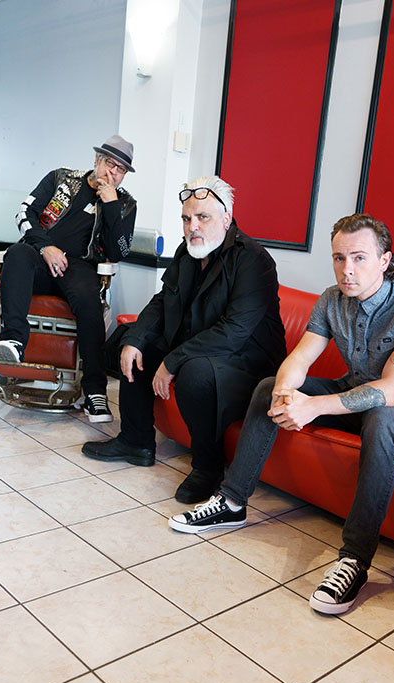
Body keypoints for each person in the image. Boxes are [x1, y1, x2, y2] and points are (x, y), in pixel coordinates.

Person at [169, 213, 394, 615]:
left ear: (384, 260)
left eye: (360, 258)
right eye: (338, 258)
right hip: (354, 390)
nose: (347, 270)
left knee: (381, 420)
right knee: (266, 388)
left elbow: (391, 390)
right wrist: (285, 394)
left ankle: (354, 558)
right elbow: (300, 357)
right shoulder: (333, 298)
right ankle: (231, 502)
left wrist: (312, 407)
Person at [82, 176, 286, 503]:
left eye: (202, 217)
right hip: (202, 348)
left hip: (247, 363)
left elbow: (234, 331)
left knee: (195, 373)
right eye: (187, 218)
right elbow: (164, 301)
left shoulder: (253, 260)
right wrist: (135, 339)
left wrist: (173, 360)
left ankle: (208, 466)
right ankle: (136, 441)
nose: (193, 226)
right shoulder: (187, 251)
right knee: (131, 342)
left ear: (226, 219)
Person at [0, 135, 137, 422]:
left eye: (120, 169)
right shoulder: (61, 178)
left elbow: (119, 251)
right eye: (109, 163)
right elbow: (24, 212)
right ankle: (14, 342)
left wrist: (110, 206)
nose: (113, 173)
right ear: (96, 160)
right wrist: (45, 246)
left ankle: (95, 391)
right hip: (40, 258)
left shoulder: (125, 204)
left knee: (89, 301)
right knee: (18, 253)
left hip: (79, 267)